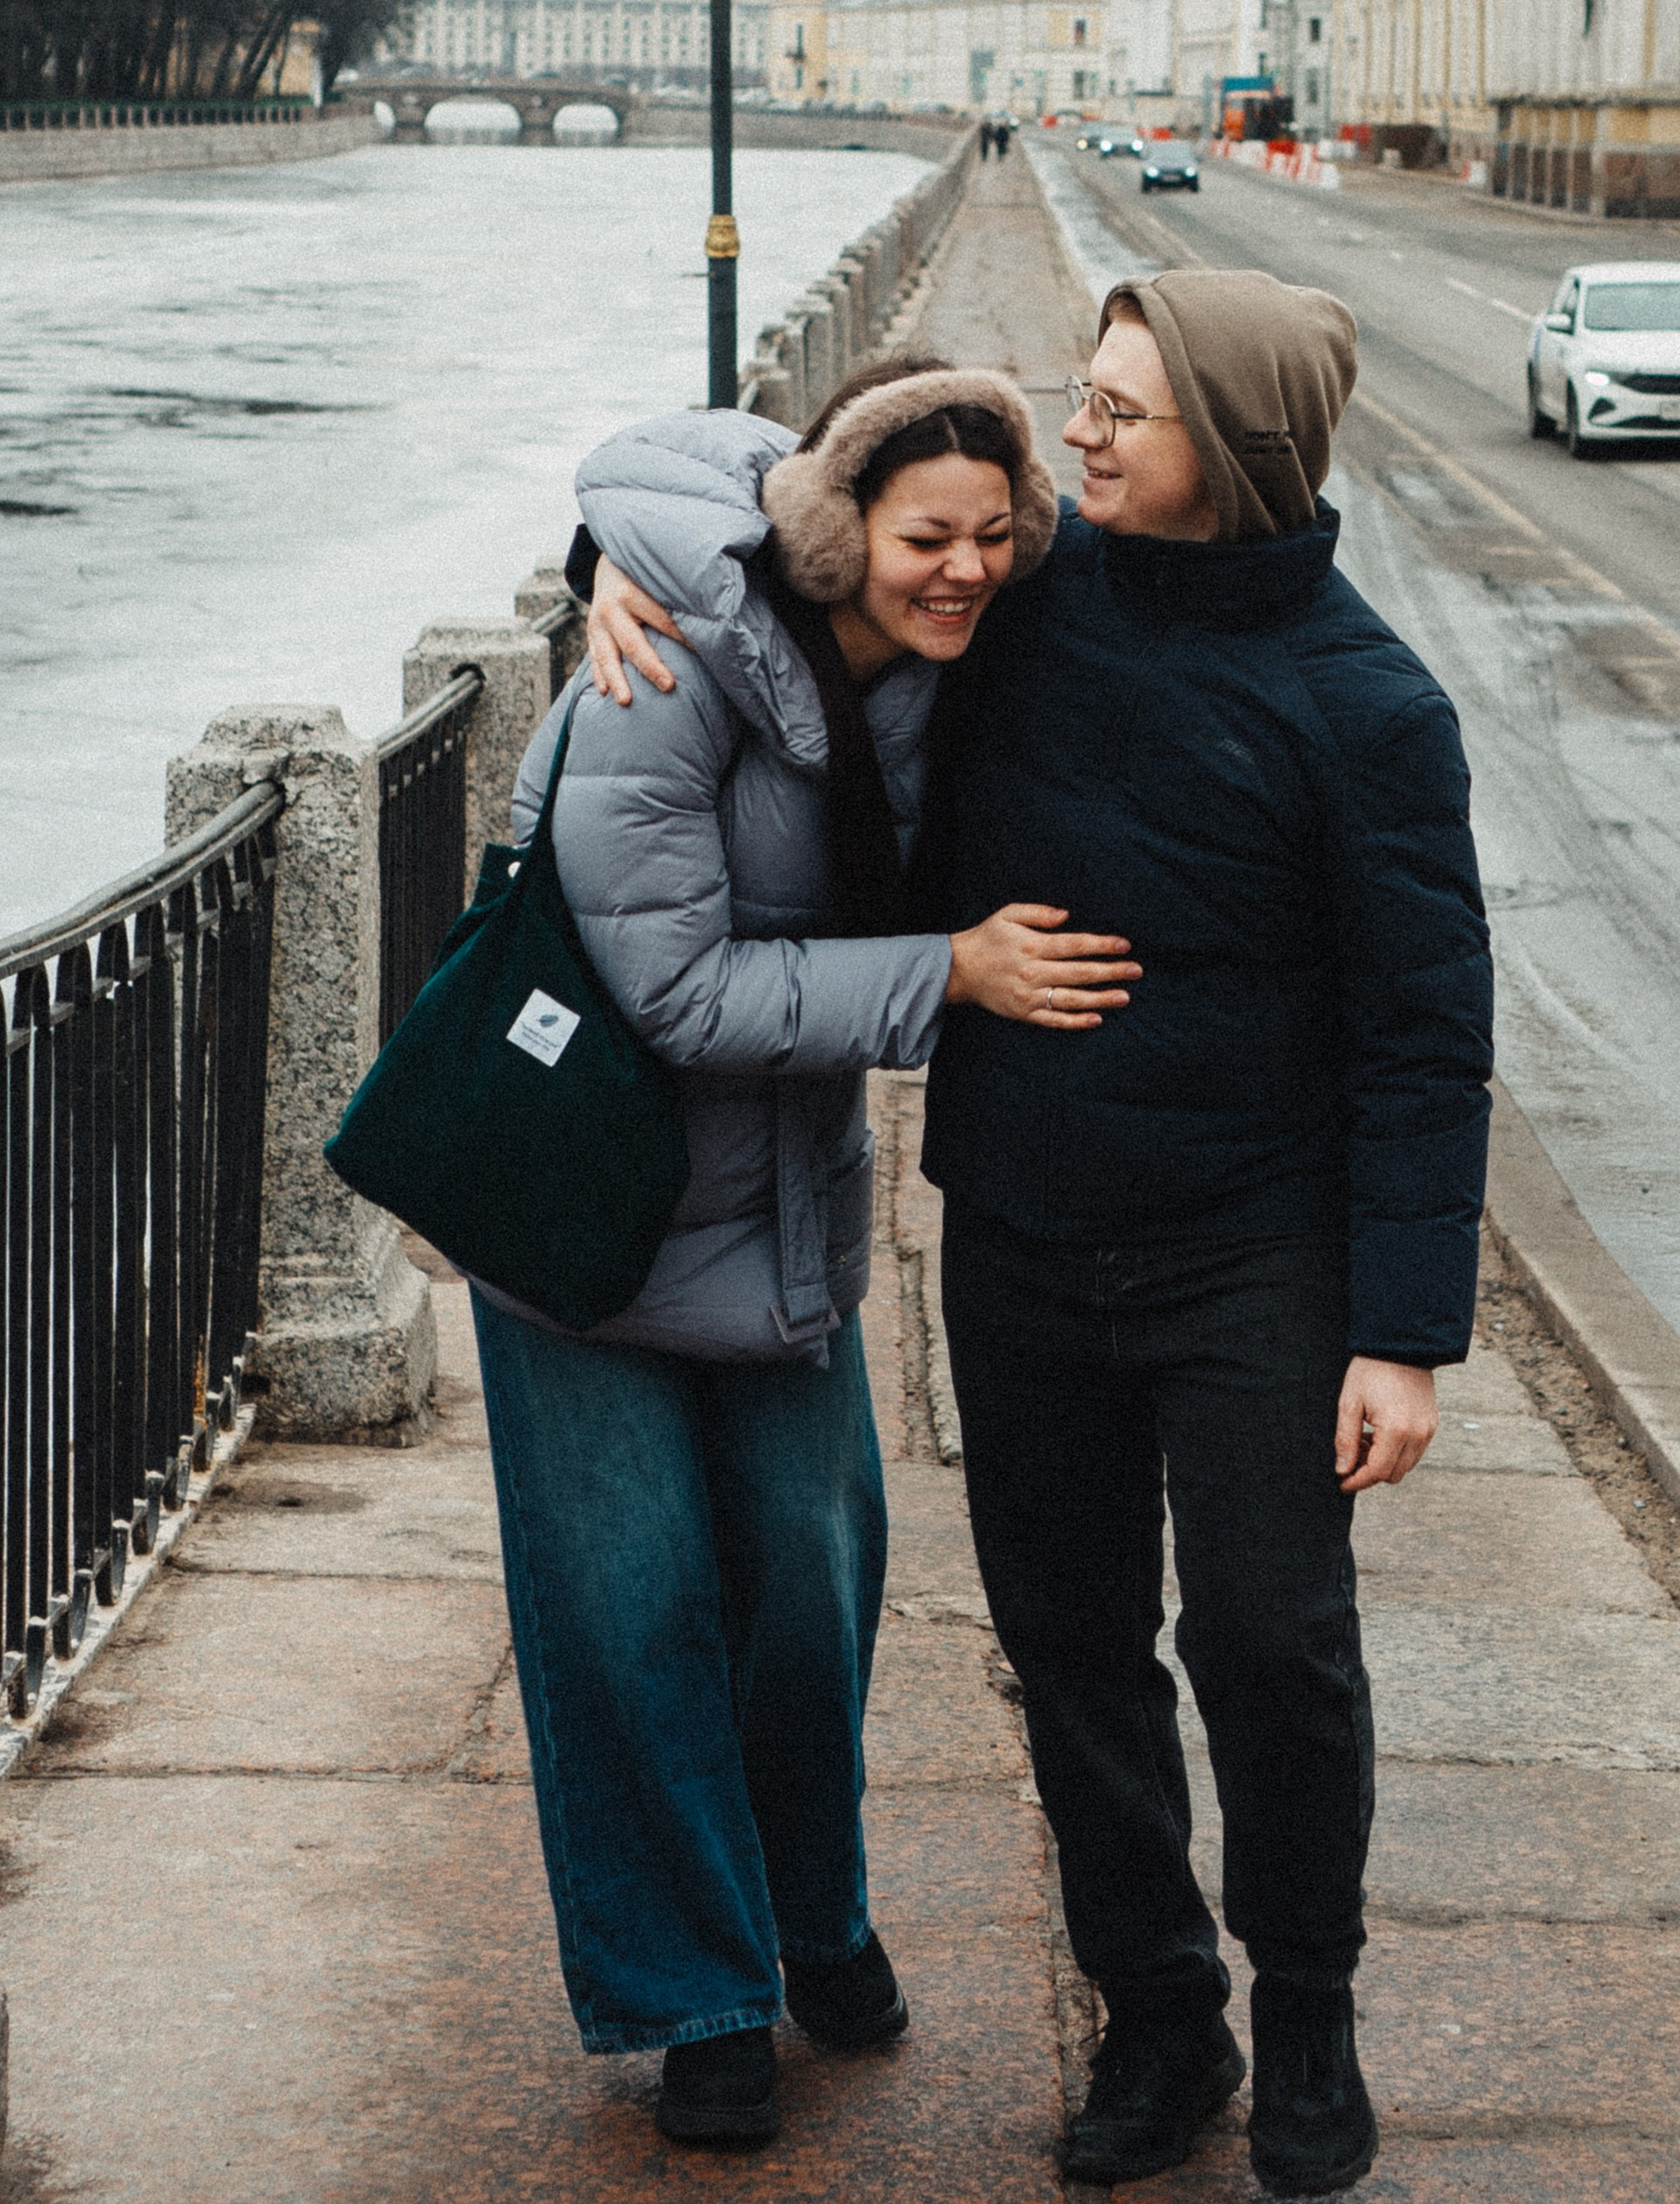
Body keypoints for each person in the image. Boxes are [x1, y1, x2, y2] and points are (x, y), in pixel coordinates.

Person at [587, 270, 1495, 2199]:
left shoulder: (1369, 711)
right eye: (1076, 403)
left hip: (1257, 1258)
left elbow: (1424, 1039)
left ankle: (1308, 2008)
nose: (1064, 442)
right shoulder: (1015, 604)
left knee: (1272, 1646)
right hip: (1015, 1235)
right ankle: (1159, 2016)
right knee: (1070, 1652)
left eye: (1113, 416)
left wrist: (1402, 1332)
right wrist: (601, 563)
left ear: (1229, 451)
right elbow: (749, 494)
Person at [481, 361, 1139, 2152]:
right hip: (585, 1204)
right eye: (929, 538)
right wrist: (950, 974)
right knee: (633, 1615)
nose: (965, 572)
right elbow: (667, 990)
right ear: (840, 530)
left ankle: (815, 1918)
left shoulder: (952, 657)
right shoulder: (662, 673)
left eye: (995, 541)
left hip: (777, 1208)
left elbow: (1176, 588)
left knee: (805, 1591)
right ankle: (696, 1995)